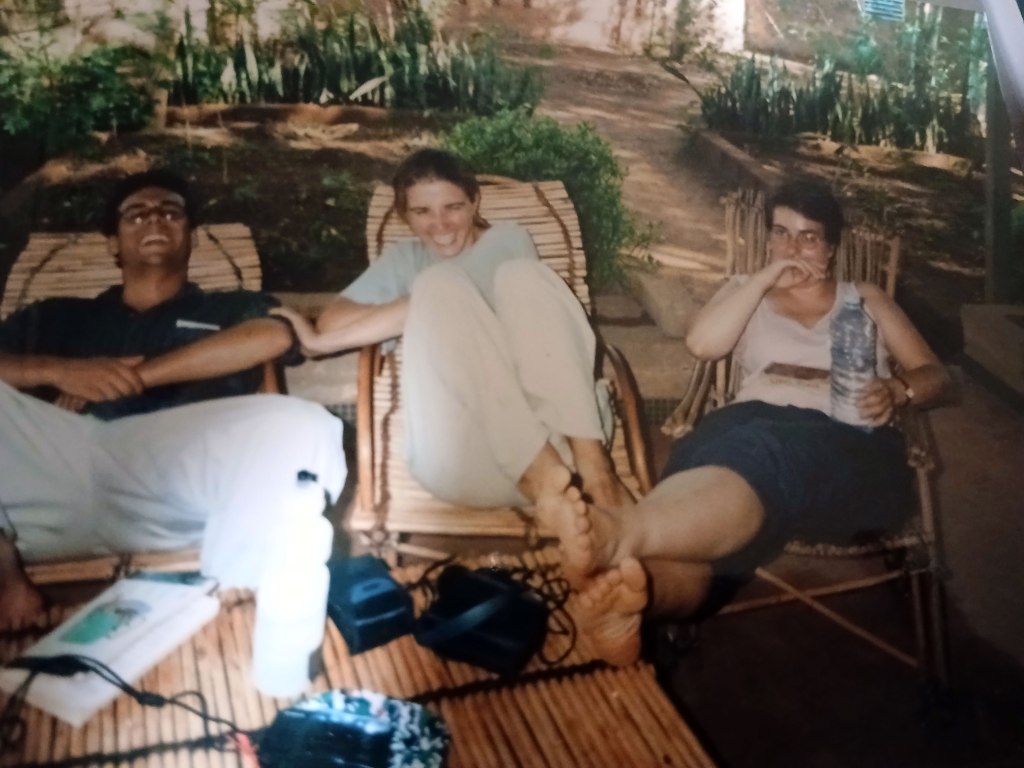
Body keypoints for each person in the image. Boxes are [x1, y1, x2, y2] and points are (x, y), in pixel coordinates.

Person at [539, 179, 957, 667]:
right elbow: (702, 345)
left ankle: (619, 531)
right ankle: (639, 602)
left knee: (762, 451)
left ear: (831, 248)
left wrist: (898, 390)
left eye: (808, 237)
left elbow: (937, 378)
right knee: (717, 467)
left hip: (848, 444)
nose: (791, 248)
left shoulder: (864, 298)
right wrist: (761, 281)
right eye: (780, 233)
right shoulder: (745, 290)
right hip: (746, 431)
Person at [0, 169, 346, 625]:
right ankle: (5, 573)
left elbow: (274, 336)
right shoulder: (61, 315)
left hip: (175, 477)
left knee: (307, 424)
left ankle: (237, 598)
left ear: (191, 237)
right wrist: (62, 371)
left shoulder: (229, 307)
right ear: (112, 243)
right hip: (60, 468)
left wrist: (135, 376)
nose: (154, 219)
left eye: (170, 212)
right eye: (136, 214)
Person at [272, 148, 629, 511]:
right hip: (463, 460)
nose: (439, 224)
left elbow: (333, 331)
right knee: (437, 286)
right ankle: (548, 484)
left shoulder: (508, 240)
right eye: (422, 212)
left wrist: (324, 342)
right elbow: (333, 320)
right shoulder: (404, 260)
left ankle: (596, 475)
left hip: (560, 448)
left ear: (474, 202)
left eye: (453, 207)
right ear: (405, 216)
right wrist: (401, 312)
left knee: (510, 278)